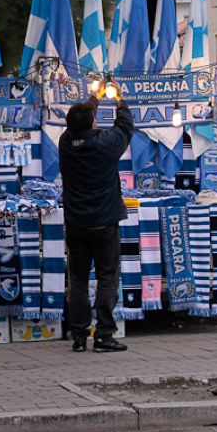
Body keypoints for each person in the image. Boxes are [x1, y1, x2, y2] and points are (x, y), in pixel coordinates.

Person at [59, 83, 134, 353]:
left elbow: (80, 119)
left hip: (76, 224)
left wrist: (96, 95)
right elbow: (125, 126)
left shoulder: (66, 144)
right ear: (92, 122)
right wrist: (119, 98)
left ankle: (79, 337)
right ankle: (103, 335)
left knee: (78, 280)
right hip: (105, 223)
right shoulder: (105, 144)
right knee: (107, 278)